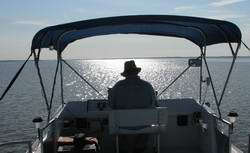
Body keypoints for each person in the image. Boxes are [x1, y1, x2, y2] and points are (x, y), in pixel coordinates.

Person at [108, 60, 157, 153]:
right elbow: (153, 104)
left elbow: (111, 105)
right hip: (144, 127)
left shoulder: (118, 86)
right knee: (144, 127)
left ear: (125, 74)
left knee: (122, 128)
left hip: (123, 127)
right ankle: (140, 149)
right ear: (136, 72)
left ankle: (124, 149)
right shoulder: (148, 86)